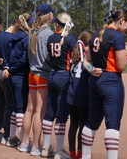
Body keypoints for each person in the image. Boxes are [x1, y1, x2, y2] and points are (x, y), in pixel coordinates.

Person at [82, 9, 127, 159]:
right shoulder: (118, 36)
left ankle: (85, 156)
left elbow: (86, 61)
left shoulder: (97, 34)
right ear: (121, 20)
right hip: (111, 82)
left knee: (91, 122)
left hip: (95, 81)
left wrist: (92, 71)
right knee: (112, 124)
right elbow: (122, 65)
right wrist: (126, 59)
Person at [17, 3, 55, 156]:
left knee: (29, 109)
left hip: (32, 73)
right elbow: (48, 57)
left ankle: (24, 143)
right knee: (40, 111)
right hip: (42, 75)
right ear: (49, 16)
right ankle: (35, 146)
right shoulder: (48, 33)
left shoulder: (32, 30)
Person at [41, 13, 76, 159]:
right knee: (62, 115)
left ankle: (46, 147)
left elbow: (48, 59)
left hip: (52, 76)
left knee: (49, 113)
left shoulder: (51, 38)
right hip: (64, 76)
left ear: (57, 24)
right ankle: (59, 150)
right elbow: (77, 57)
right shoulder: (70, 38)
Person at [2, 13, 32, 147]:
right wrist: (12, 69)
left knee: (15, 107)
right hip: (20, 75)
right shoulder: (26, 38)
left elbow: (8, 57)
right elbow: (24, 59)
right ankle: (21, 139)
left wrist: (8, 68)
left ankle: (11, 137)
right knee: (21, 108)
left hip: (12, 74)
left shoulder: (13, 36)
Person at [67, 30, 94, 159]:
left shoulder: (75, 56)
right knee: (83, 125)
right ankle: (80, 153)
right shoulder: (87, 58)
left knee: (73, 124)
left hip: (72, 95)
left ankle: (72, 154)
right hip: (83, 96)